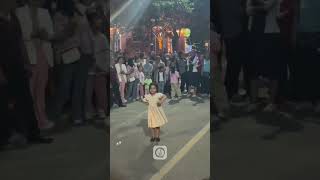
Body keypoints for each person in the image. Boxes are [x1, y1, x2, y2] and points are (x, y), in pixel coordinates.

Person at [0, 0, 53, 148]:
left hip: (17, 64)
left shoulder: (12, 17)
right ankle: (6, 138)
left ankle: (33, 134)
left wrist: (26, 62)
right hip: (4, 66)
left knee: (26, 100)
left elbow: (20, 41)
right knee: (5, 104)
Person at [15, 0, 55, 130]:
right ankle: (32, 122)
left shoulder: (44, 12)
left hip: (43, 54)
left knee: (41, 90)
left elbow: (51, 33)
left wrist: (45, 35)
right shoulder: (19, 12)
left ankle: (42, 119)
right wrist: (32, 34)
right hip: (29, 55)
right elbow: (18, 35)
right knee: (30, 90)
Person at [246, 0, 286, 112]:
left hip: (271, 35)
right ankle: (254, 101)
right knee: (253, 69)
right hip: (254, 33)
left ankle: (271, 102)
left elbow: (266, 8)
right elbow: (248, 11)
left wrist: (255, 5)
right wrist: (259, 6)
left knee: (273, 69)